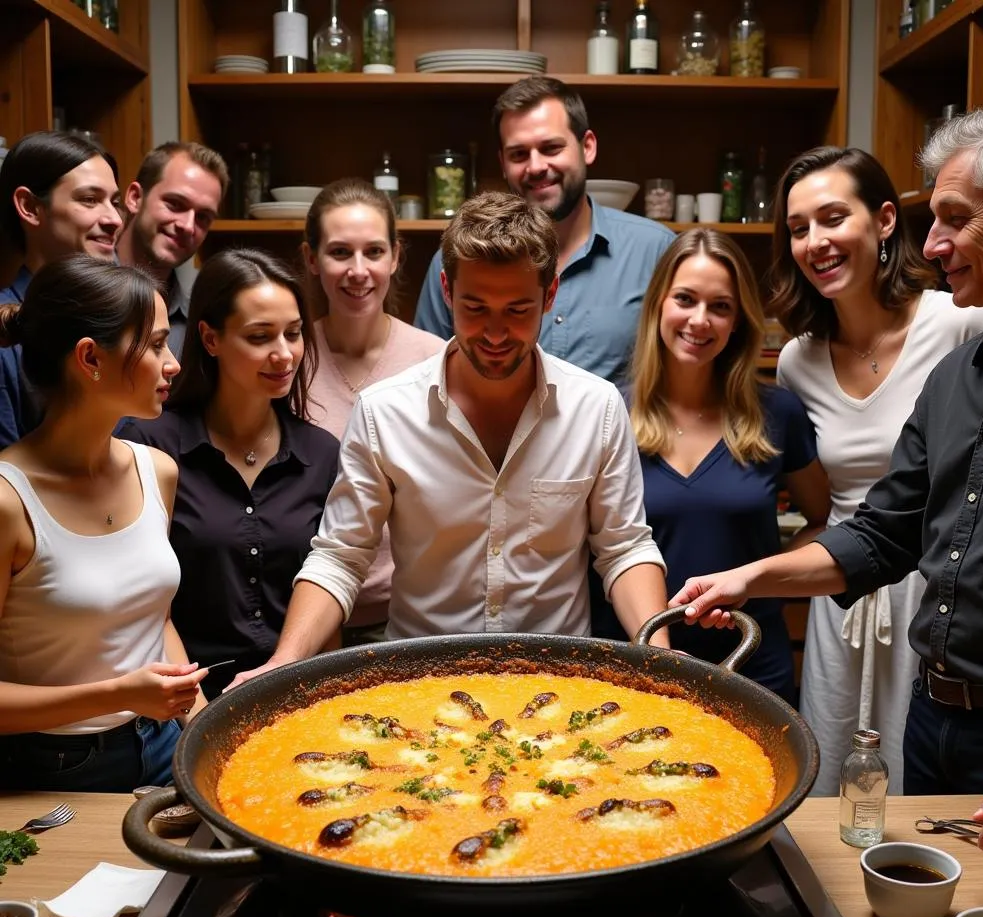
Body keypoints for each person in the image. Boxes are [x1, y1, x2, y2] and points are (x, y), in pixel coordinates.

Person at [671, 97, 983, 874]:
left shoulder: (955, 328)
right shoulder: (950, 373)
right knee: (893, 869)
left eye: (956, 219)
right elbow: (883, 529)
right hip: (914, 668)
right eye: (796, 227)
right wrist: (755, 575)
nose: (937, 243)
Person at [231, 191, 670, 687]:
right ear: (446, 290)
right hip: (419, 685)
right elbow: (340, 555)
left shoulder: (596, 407)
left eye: (519, 310)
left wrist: (660, 662)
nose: (496, 332)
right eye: (476, 307)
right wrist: (285, 660)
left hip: (557, 683)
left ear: (550, 296)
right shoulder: (385, 411)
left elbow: (624, 548)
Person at [769, 146, 983, 795]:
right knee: (830, 777)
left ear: (887, 221)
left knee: (921, 790)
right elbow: (821, 504)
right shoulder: (797, 361)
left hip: (937, 592)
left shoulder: (962, 325)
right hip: (842, 596)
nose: (816, 241)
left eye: (833, 217)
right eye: (799, 227)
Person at [591, 229, 830, 706]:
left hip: (749, 658)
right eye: (685, 299)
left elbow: (823, 519)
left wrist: (759, 578)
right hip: (629, 661)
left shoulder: (777, 414)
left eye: (720, 306)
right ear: (658, 302)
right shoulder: (605, 412)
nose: (700, 320)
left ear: (738, 321)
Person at [0, 254, 207, 793]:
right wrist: (118, 694)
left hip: (165, 745)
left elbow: (151, 618)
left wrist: (202, 723)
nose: (174, 363)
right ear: (90, 358)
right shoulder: (8, 501)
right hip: (52, 770)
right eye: (157, 344)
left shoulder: (156, 471)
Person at [119, 249, 339, 700]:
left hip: (294, 693)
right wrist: (193, 712)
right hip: (178, 696)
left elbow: (331, 580)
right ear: (210, 338)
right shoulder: (150, 444)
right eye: (260, 336)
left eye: (294, 334)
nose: (283, 354)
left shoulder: (321, 453)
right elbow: (137, 604)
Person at [414, 75, 673, 382]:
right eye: (519, 154)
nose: (535, 166)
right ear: (503, 163)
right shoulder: (457, 257)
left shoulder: (656, 251)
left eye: (551, 148)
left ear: (587, 147)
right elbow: (427, 376)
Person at [301, 179, 445, 644]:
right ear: (311, 259)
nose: (358, 271)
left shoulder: (436, 361)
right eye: (340, 252)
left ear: (396, 256)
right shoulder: (287, 362)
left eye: (374, 252)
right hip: (310, 611)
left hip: (410, 620)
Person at [0, 130, 122, 446]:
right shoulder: (5, 329)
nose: (114, 219)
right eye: (90, 199)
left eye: (115, 202)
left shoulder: (121, 314)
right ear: (29, 206)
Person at [116, 141, 228, 358]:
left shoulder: (200, 322)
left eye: (203, 217)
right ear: (135, 198)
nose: (187, 226)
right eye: (175, 204)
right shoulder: (77, 290)